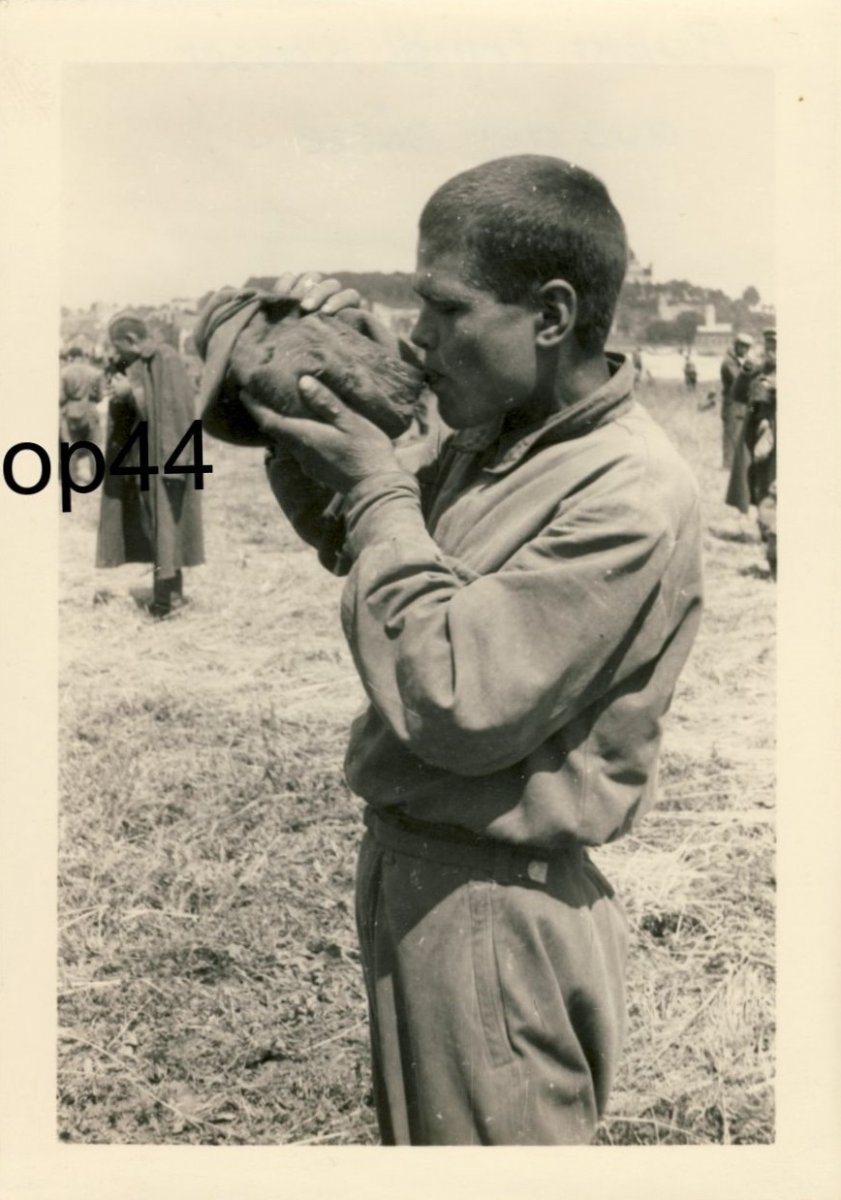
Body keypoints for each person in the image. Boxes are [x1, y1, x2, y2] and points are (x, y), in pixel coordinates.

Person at [234, 156, 703, 1145]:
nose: (420, 334)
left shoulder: (625, 490)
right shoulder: (506, 439)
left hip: (495, 916)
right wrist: (315, 378)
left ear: (552, 315)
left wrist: (379, 488)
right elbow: (373, 556)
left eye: (446, 309)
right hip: (436, 890)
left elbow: (454, 697)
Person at [95, 312, 204, 617]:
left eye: (117, 346)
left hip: (165, 459)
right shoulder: (137, 361)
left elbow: (173, 411)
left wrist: (131, 393)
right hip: (142, 458)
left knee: (166, 527)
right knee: (155, 527)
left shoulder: (166, 359)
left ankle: (168, 601)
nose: (116, 353)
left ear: (131, 339)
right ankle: (167, 596)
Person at [725, 327, 777, 575]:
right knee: (761, 490)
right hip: (759, 441)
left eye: (776, 344)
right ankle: (771, 547)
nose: (772, 349)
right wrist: (747, 371)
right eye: (769, 344)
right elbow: (738, 394)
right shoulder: (760, 368)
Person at [59, 346, 102, 484]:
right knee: (94, 444)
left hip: (71, 410)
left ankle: (71, 477)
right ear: (82, 356)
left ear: (71, 357)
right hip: (90, 409)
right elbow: (100, 397)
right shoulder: (95, 372)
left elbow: (61, 398)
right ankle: (95, 476)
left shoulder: (64, 373)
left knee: (70, 444)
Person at [720, 332, 753, 469]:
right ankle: (728, 465)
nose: (744, 350)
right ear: (736, 345)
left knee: (740, 433)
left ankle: (737, 465)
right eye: (742, 346)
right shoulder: (729, 362)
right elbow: (738, 380)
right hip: (732, 402)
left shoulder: (742, 361)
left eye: (747, 347)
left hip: (742, 402)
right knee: (731, 433)